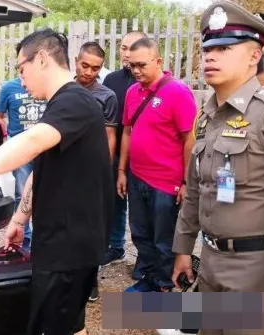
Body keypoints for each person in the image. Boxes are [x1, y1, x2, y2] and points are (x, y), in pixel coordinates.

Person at [0, 28, 113, 335]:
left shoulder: (75, 102)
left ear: (41, 60)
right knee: (68, 323)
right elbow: (42, 167)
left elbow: (32, 141)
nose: (21, 78)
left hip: (69, 248)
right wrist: (20, 217)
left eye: (21, 68)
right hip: (61, 242)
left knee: (55, 326)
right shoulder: (61, 105)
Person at [172, 2, 264, 335]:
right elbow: (197, 190)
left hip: (257, 270)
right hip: (210, 262)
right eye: (208, 48)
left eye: (224, 48)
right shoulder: (208, 115)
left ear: (255, 56)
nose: (210, 56)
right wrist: (183, 248)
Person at [117, 37, 197, 293]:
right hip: (138, 176)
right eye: (132, 66)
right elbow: (128, 132)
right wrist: (122, 170)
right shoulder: (132, 92)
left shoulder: (177, 92)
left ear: (158, 61)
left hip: (166, 183)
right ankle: (150, 277)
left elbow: (190, 139)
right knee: (140, 233)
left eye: (141, 65)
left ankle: (163, 285)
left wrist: (186, 181)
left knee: (164, 239)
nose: (136, 71)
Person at [74, 41, 119, 302]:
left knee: (91, 230)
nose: (89, 72)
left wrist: (104, 171)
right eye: (85, 65)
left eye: (96, 68)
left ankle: (90, 280)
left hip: (92, 173)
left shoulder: (107, 96)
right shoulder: (62, 89)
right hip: (64, 170)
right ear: (76, 61)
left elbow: (110, 135)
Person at [101, 31, 148, 280]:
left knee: (142, 208)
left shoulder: (153, 81)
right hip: (116, 150)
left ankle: (145, 256)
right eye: (123, 47)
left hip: (144, 156)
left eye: (132, 48)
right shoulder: (111, 79)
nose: (127, 53)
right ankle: (116, 246)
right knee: (115, 201)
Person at [0, 77, 47, 250]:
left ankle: (42, 242)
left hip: (44, 149)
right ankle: (24, 243)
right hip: (20, 151)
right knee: (21, 194)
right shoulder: (8, 87)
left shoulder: (46, 86)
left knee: (44, 197)